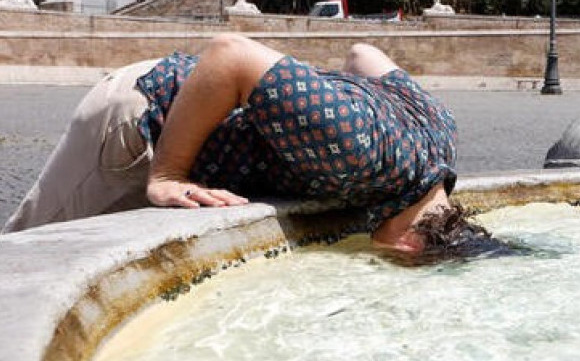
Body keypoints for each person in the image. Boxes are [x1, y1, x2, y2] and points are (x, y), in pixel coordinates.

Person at [1, 34, 488, 258]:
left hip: (180, 114)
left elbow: (363, 54)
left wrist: (307, 96)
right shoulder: (359, 152)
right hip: (136, 117)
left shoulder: (441, 136)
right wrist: (168, 174)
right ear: (409, 242)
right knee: (26, 262)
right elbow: (229, 53)